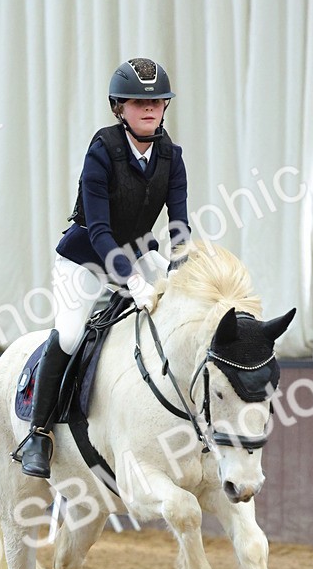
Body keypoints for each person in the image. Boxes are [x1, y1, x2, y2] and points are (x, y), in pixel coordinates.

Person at [19, 56, 190, 478]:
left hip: (138, 252)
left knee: (179, 315)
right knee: (73, 332)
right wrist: (132, 280)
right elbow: (98, 230)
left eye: (156, 102)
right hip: (86, 258)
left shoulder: (172, 156)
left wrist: (181, 272)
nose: (148, 109)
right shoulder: (102, 150)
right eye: (136, 102)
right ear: (119, 108)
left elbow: (179, 226)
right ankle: (39, 433)